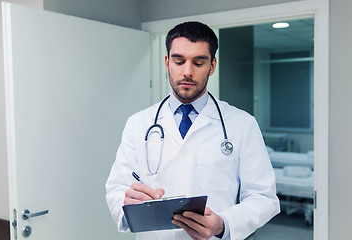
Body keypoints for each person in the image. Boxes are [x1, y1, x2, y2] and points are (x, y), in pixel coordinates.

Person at [106, 21, 280, 240]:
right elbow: (117, 187)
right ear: (167, 62)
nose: (187, 72)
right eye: (179, 61)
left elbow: (264, 197)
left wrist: (223, 224)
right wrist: (127, 203)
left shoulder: (242, 124)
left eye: (198, 62)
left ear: (212, 66)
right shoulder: (139, 123)